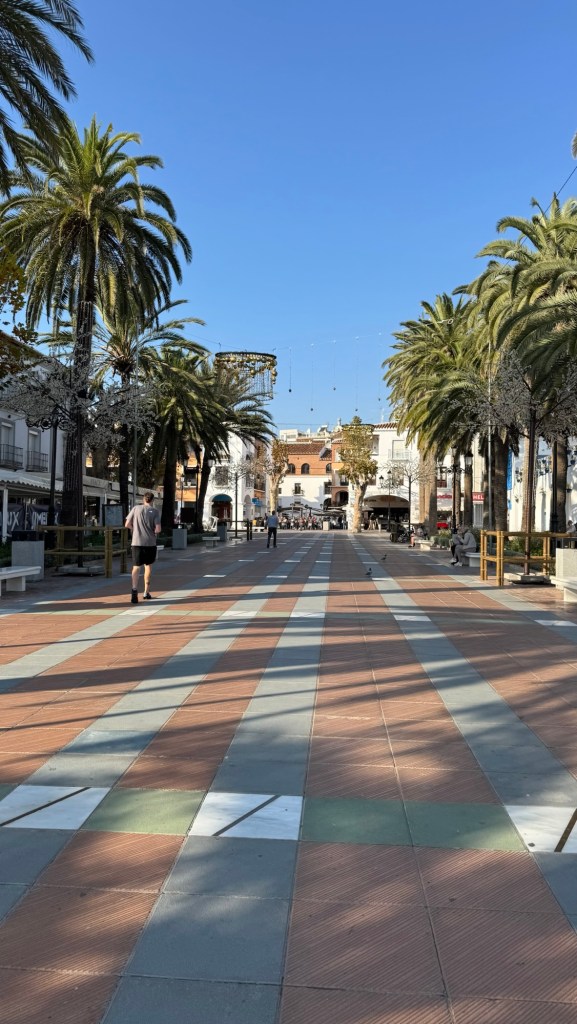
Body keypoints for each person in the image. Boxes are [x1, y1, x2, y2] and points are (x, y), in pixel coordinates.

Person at [125, 491, 161, 603]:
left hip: (136, 542)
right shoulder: (155, 512)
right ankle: (146, 592)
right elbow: (158, 529)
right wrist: (153, 532)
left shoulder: (135, 508)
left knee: (136, 567)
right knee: (148, 566)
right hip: (150, 543)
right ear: (153, 500)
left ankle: (134, 590)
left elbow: (127, 524)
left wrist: (134, 529)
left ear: (143, 499)